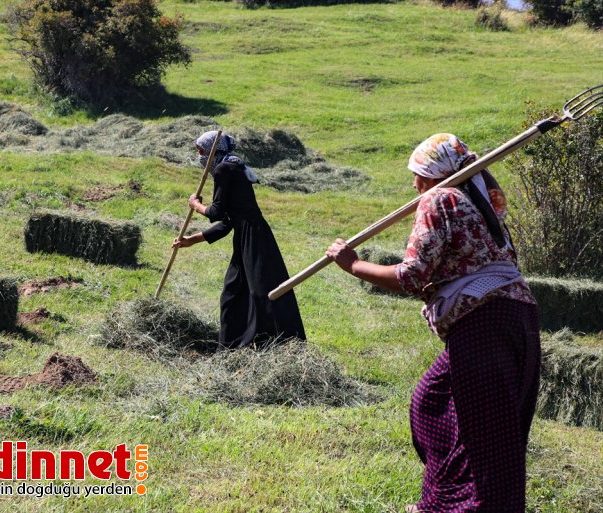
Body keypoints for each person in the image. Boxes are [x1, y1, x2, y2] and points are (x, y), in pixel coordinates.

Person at [326, 133, 540, 512]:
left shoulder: (440, 198)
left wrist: (352, 264)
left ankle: (461, 506)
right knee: (440, 404)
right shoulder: (481, 202)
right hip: (517, 317)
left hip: (483, 323)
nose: (414, 184)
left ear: (433, 174)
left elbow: (411, 276)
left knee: (480, 431)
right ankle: (446, 500)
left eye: (418, 174)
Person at [172, 130, 307, 350]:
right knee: (232, 293)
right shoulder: (230, 166)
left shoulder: (224, 168)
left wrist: (196, 205)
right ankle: (232, 346)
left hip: (254, 238)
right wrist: (191, 240)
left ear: (213, 150)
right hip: (245, 236)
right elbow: (227, 222)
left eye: (201, 150)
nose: (199, 155)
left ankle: (282, 344)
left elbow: (215, 212)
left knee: (262, 292)